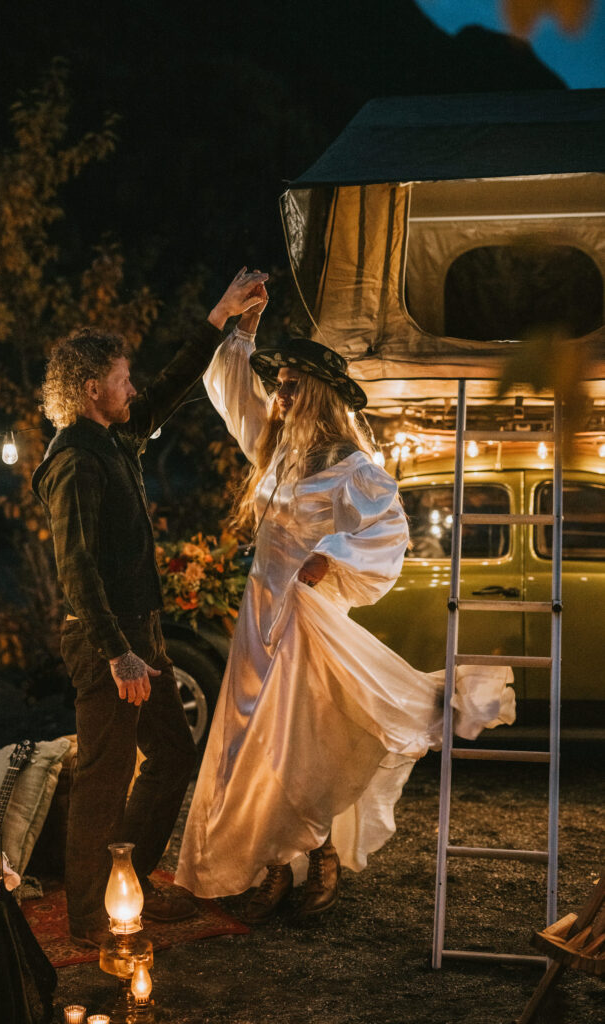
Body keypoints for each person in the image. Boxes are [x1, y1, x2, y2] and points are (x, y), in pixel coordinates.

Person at [175, 286, 514, 922]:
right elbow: (229, 390)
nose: (281, 395)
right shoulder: (275, 451)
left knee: (296, 744)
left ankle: (321, 856)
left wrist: (331, 551)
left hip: (309, 620)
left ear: (320, 394)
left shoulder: (350, 465)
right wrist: (243, 332)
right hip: (260, 618)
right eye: (280, 384)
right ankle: (273, 866)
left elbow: (388, 533)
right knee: (252, 744)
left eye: (294, 386)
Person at [33, 268, 268, 948]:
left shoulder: (114, 439)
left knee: (170, 752)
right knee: (102, 778)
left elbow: (167, 388)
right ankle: (86, 920)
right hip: (108, 644)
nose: (132, 387)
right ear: (90, 389)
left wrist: (219, 316)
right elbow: (75, 570)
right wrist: (118, 652)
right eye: (121, 378)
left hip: (142, 637)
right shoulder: (75, 459)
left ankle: (126, 879)